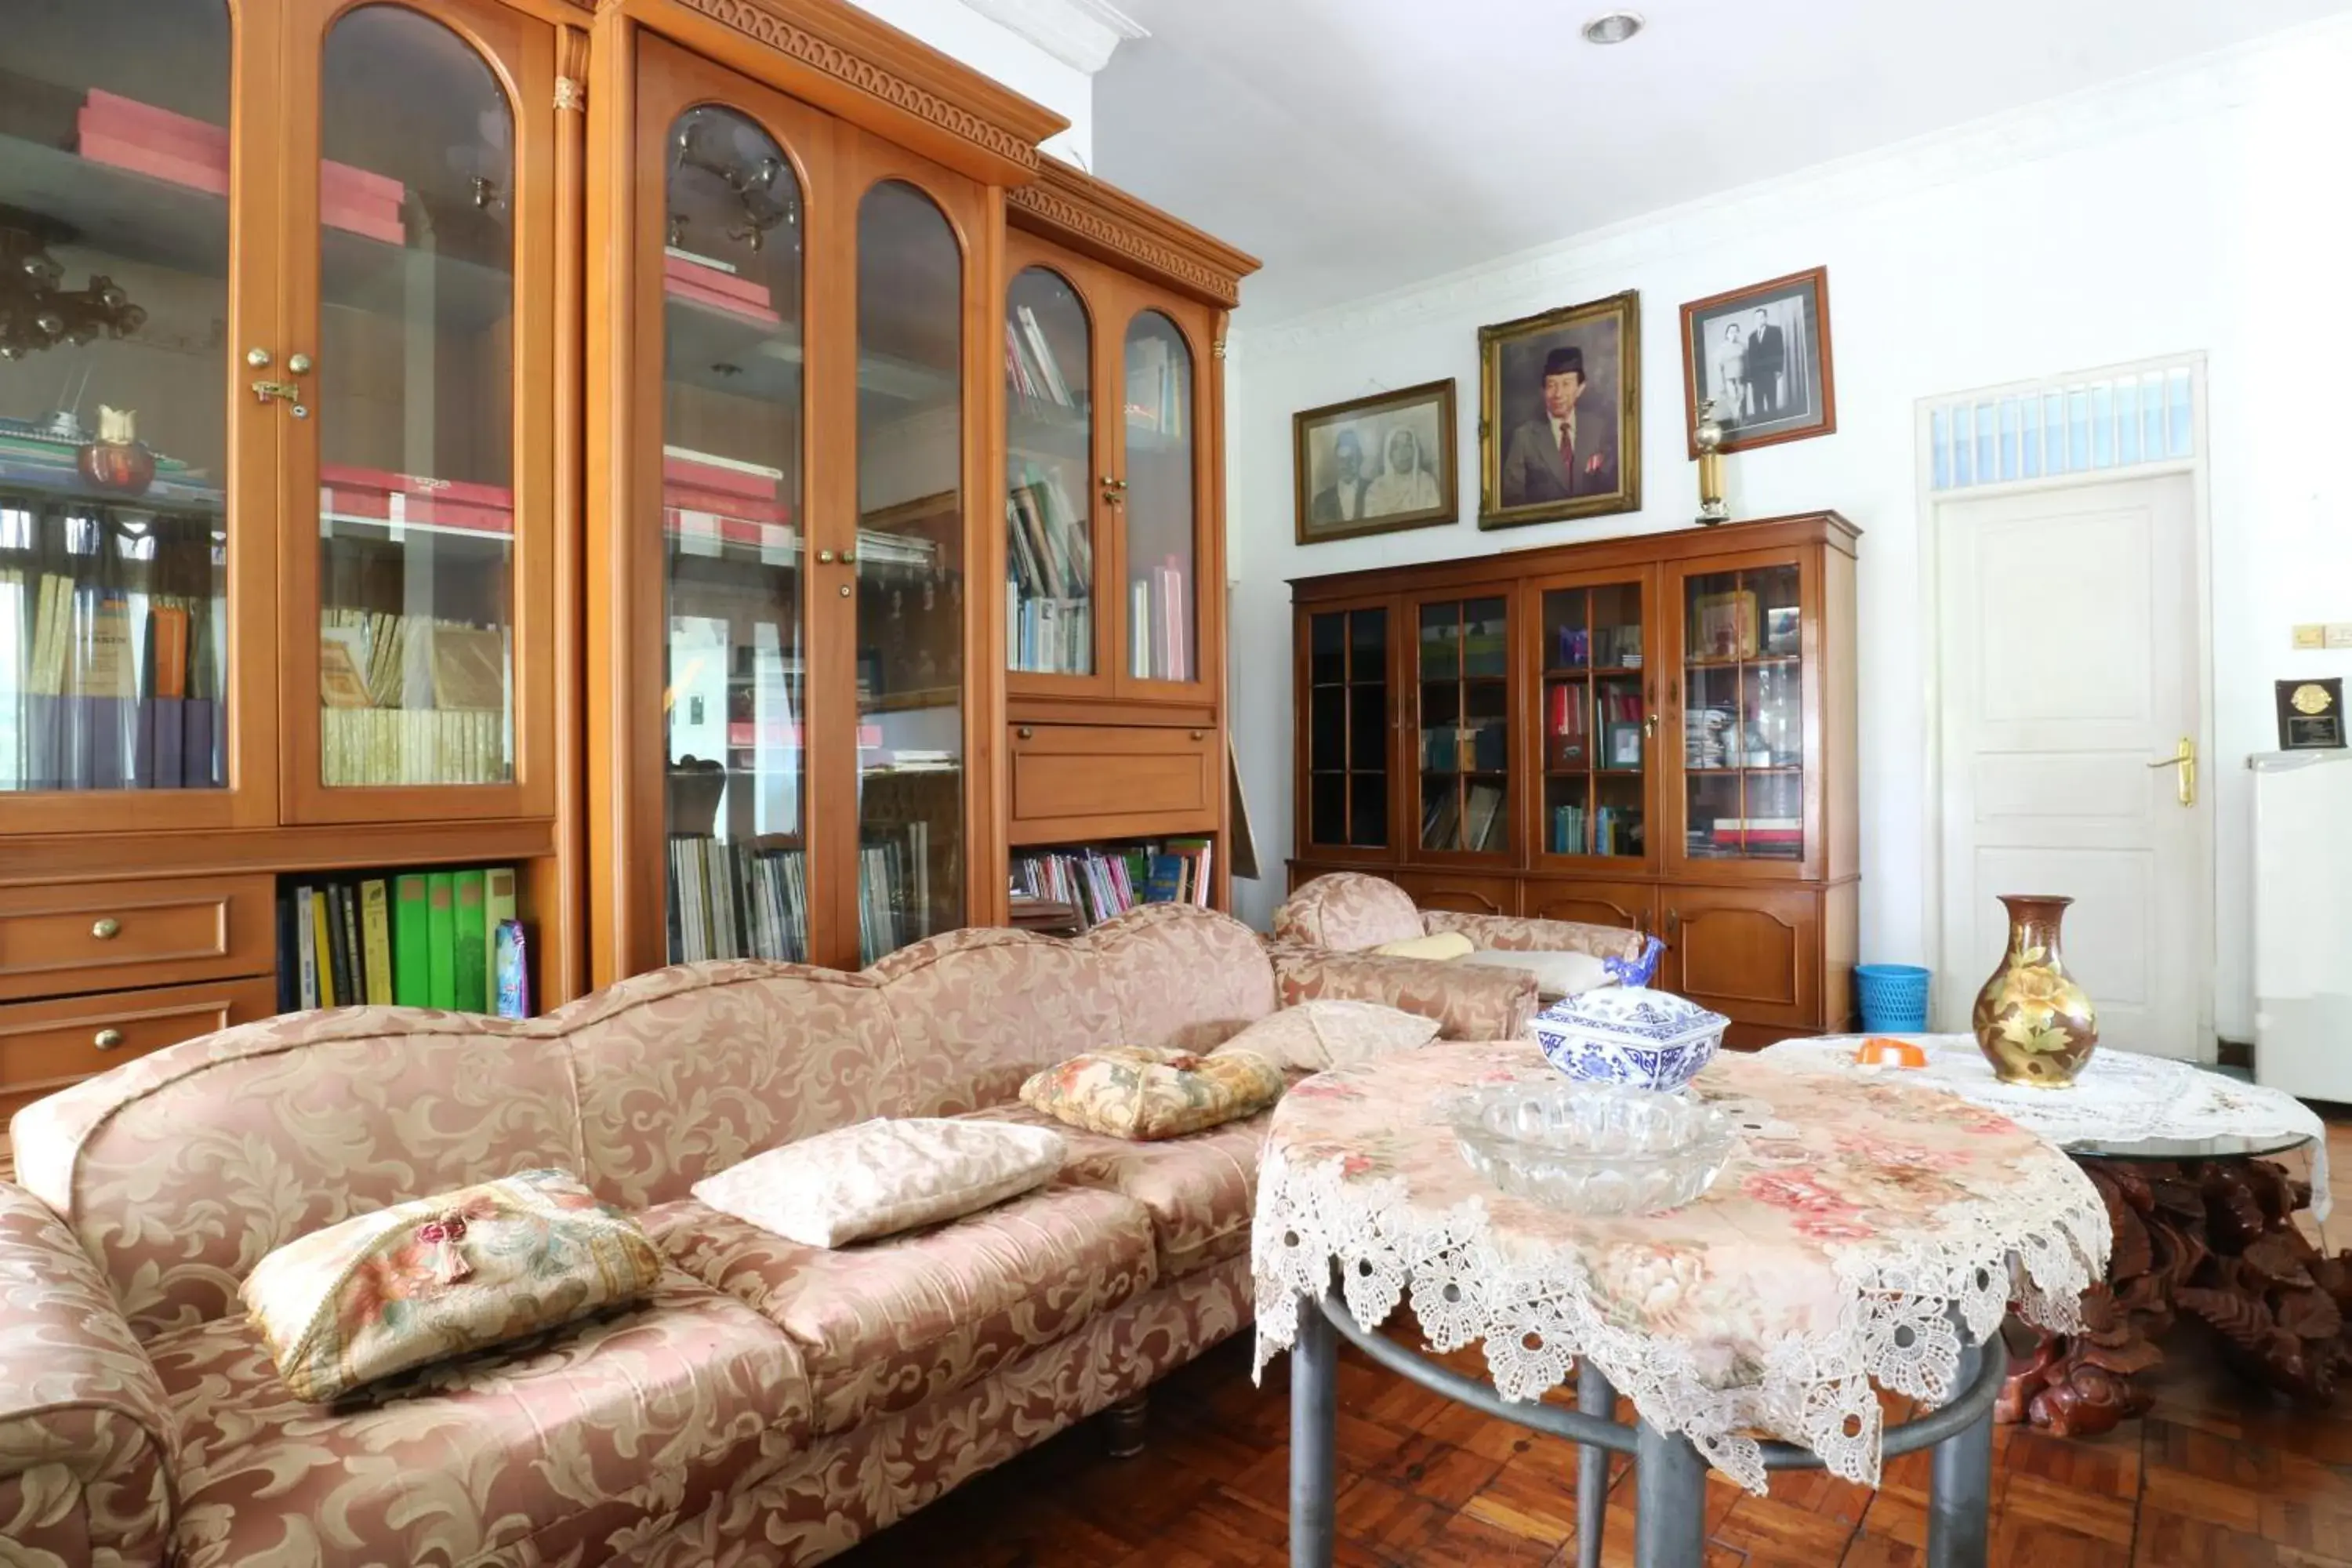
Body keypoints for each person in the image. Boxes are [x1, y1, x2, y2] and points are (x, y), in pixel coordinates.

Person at [1499, 343, 1617, 507]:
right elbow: (1512, 499)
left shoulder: (1598, 429)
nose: (1558, 394)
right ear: (1543, 390)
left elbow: (1611, 488)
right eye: (1552, 385)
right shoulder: (1524, 437)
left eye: (1566, 384)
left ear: (1580, 388)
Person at [1364, 424, 1440, 515]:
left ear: (1415, 451)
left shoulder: (1427, 482)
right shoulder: (1376, 489)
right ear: (1389, 453)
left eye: (1408, 446)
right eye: (1397, 447)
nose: (1403, 452)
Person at [1308, 426, 1371, 526]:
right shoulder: (1321, 501)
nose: (1347, 465)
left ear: (1360, 458)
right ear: (1336, 462)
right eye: (1342, 459)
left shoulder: (1374, 490)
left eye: (1351, 458)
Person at [1743, 307, 1785, 418]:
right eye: (1757, 318)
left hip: (1770, 372)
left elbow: (1780, 351)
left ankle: (1774, 423)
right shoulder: (1751, 337)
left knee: (1771, 401)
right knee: (1758, 402)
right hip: (1756, 375)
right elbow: (1751, 357)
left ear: (1766, 318)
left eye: (1762, 317)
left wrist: (1778, 369)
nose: (1759, 320)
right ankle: (1760, 422)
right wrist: (1750, 376)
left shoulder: (1775, 331)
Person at [1713, 320, 1748, 421]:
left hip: (1741, 377)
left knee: (1742, 398)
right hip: (1729, 379)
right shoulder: (1722, 349)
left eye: (1736, 331)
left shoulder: (1743, 347)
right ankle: (1735, 420)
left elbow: (1747, 363)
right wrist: (1721, 384)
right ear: (1727, 334)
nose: (1734, 334)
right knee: (1733, 399)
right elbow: (1718, 366)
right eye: (1731, 332)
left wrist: (1748, 376)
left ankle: (1742, 420)